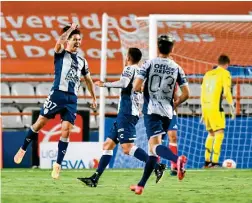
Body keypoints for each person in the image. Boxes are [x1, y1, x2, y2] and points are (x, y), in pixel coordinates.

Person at [14, 23, 97, 179]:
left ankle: (57, 165)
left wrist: (93, 97)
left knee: (66, 131)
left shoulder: (82, 61)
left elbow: (88, 79)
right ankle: (23, 148)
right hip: (56, 95)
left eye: (79, 39)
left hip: (71, 99)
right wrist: (71, 29)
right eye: (74, 39)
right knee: (39, 124)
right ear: (68, 40)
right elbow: (59, 42)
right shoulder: (60, 53)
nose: (77, 42)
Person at [77, 48, 166, 187]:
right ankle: (94, 179)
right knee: (107, 145)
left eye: (126, 56)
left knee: (127, 148)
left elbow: (124, 83)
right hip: (128, 113)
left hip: (126, 112)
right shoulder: (141, 71)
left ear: (128, 57)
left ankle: (157, 166)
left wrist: (103, 84)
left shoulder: (129, 69)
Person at [131, 34, 190, 195]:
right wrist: (175, 103)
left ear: (158, 47)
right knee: (152, 151)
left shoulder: (149, 63)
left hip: (152, 111)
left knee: (154, 146)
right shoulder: (177, 67)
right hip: (168, 112)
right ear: (172, 48)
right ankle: (141, 185)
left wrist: (142, 91)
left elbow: (136, 86)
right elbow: (186, 93)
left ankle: (176, 160)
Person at [201, 54, 235, 168]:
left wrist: (202, 111)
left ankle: (206, 161)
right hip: (216, 107)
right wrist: (232, 105)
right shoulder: (225, 73)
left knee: (211, 133)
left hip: (206, 107)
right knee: (219, 133)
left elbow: (203, 92)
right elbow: (226, 92)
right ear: (227, 64)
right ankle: (214, 162)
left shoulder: (208, 74)